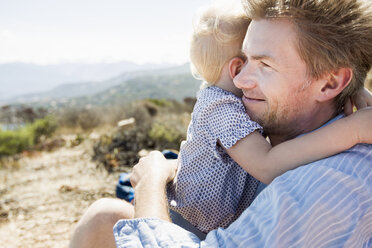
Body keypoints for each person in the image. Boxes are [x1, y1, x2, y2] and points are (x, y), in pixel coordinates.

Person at [111, 0, 372, 247]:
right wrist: (354, 94)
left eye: (265, 64)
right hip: (205, 220)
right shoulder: (297, 129)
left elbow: (268, 166)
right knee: (104, 216)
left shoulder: (320, 187)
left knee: (105, 215)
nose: (240, 80)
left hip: (201, 226)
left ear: (330, 83)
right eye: (244, 60)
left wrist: (150, 183)